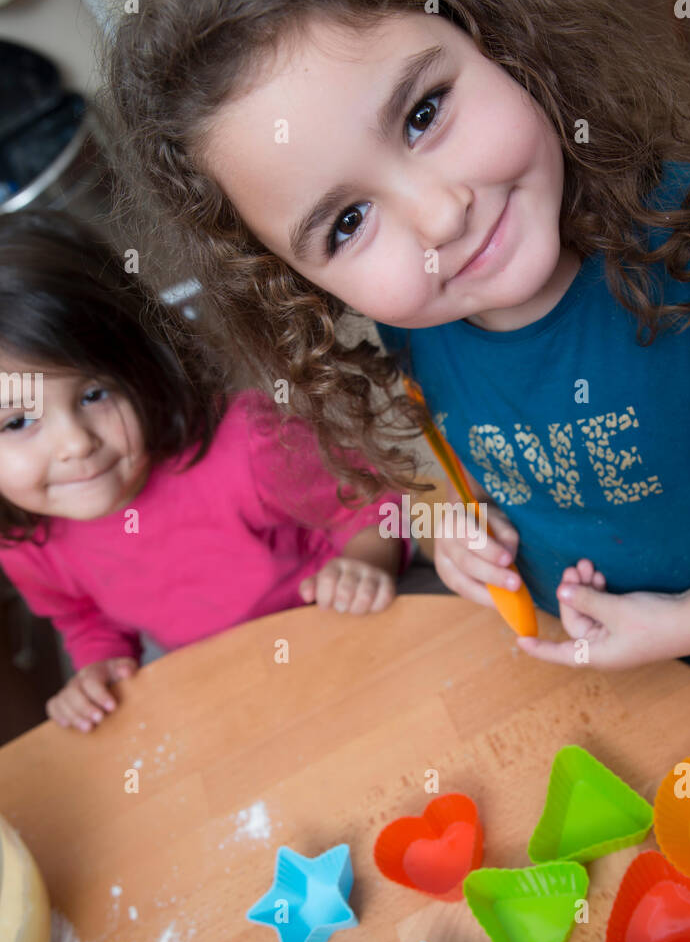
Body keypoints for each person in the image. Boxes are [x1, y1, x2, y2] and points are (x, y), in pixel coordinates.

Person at [99, 0, 690, 753]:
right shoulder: (413, 314)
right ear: (298, 285)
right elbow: (459, 452)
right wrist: (444, 525)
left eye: (423, 113)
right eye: (348, 223)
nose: (440, 216)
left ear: (494, 37)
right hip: (572, 654)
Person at [0, 209, 412, 733]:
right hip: (232, 702)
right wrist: (98, 667)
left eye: (94, 394)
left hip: (349, 645)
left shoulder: (250, 445)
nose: (75, 444)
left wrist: (366, 563)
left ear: (142, 366)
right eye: (16, 423)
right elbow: (82, 617)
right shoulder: (25, 541)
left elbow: (372, 502)